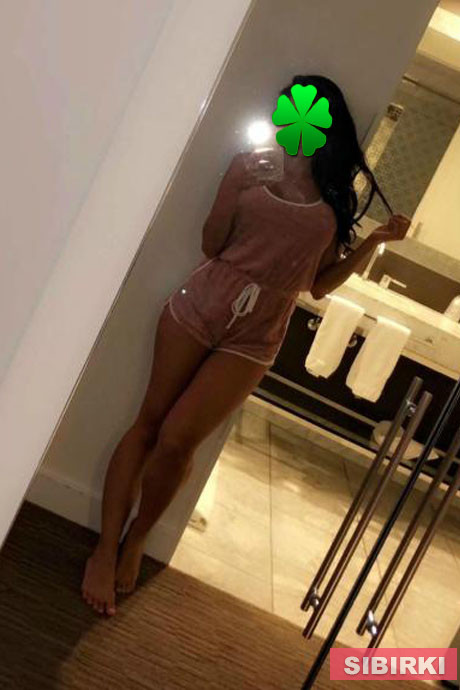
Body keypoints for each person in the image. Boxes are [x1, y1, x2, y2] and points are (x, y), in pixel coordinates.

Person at [82, 74, 410, 615]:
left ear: (327, 124)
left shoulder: (334, 200)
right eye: (289, 108)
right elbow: (212, 244)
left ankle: (136, 539)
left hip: (259, 332)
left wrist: (373, 241)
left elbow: (319, 285)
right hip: (201, 302)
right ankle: (103, 548)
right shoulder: (250, 167)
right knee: (149, 423)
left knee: (177, 440)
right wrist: (233, 184)